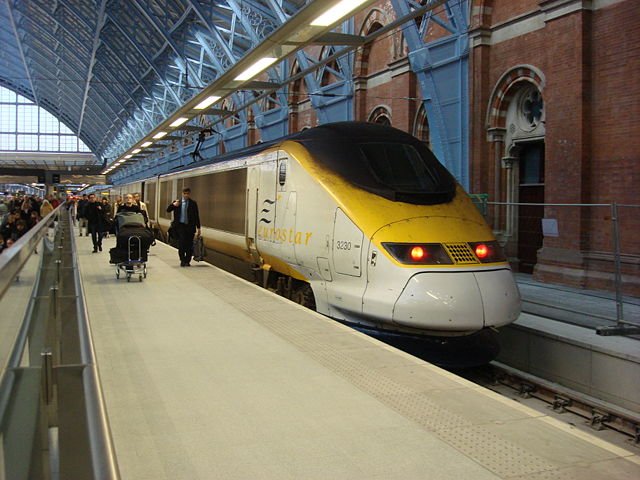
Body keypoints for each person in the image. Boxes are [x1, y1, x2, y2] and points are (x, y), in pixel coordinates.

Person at [167, 188, 201, 267]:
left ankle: (187, 260)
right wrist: (173, 205)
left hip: (190, 226)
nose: (186, 195)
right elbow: (168, 210)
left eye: (187, 194)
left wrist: (198, 228)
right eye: (185, 193)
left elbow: (196, 216)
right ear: (182, 194)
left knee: (189, 245)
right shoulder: (177, 202)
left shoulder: (193, 203)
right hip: (180, 226)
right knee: (181, 244)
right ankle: (182, 260)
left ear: (189, 194)